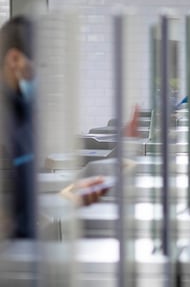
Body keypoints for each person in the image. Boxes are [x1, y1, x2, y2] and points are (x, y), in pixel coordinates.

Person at [0, 16, 109, 239]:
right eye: (39, 67)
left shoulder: (21, 118)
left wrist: (68, 196)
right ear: (14, 59)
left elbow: (24, 197)